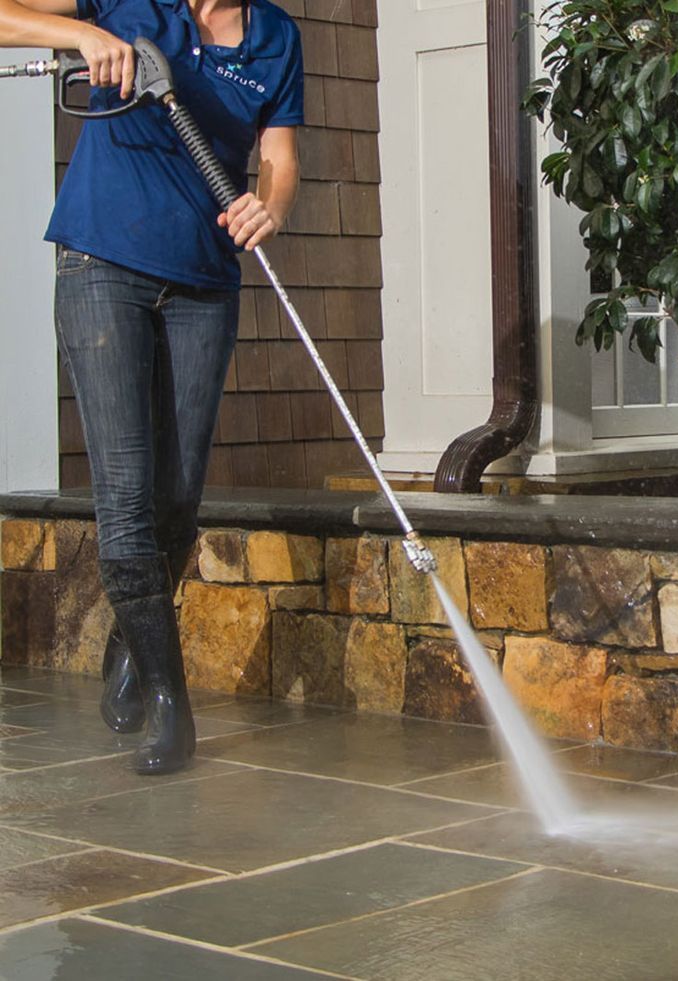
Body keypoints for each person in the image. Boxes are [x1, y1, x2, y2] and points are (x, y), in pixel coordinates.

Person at [0, 0, 303, 774]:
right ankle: (171, 704)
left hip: (204, 281)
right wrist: (85, 36)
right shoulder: (127, 3)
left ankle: (131, 641)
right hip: (102, 266)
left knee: (178, 497)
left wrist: (268, 206)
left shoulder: (274, 37)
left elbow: (277, 151)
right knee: (128, 496)